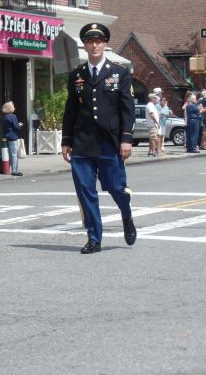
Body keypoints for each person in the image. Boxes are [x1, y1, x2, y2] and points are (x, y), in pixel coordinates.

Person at [61, 23, 137, 254]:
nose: (94, 45)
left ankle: (126, 214)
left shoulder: (119, 73)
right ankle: (94, 238)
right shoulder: (77, 75)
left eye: (98, 41)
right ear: (84, 45)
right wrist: (66, 139)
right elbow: (71, 108)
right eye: (90, 42)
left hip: (109, 141)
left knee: (116, 188)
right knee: (85, 190)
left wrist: (126, 139)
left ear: (104, 45)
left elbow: (127, 109)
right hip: (82, 142)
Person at [1, 101, 23, 176]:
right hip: (13, 136)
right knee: (14, 154)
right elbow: (16, 127)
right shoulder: (13, 116)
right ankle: (15, 170)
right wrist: (20, 125)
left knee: (9, 154)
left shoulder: (5, 117)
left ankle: (9, 168)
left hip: (6, 137)